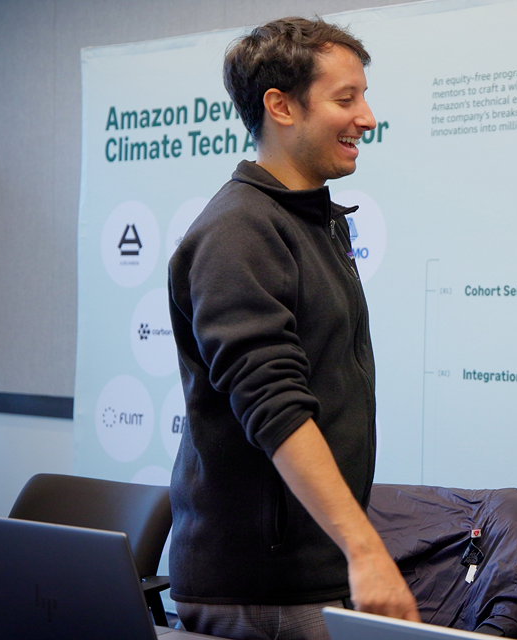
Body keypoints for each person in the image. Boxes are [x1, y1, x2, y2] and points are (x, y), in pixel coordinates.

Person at [167, 17, 418, 640]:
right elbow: (274, 405)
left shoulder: (312, 220)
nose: (366, 117)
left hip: (309, 571)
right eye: (345, 98)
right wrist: (365, 549)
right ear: (280, 106)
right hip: (261, 589)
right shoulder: (239, 232)